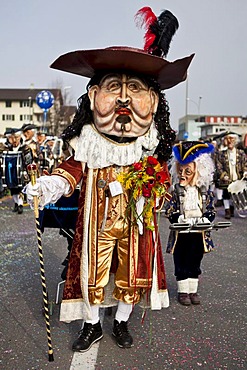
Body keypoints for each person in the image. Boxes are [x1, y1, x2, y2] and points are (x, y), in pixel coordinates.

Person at [25, 7, 194, 351]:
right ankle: (92, 325)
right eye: (113, 87)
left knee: (131, 274)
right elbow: (70, 172)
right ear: (92, 96)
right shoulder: (88, 141)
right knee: (92, 274)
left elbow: (161, 186)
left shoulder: (150, 147)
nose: (123, 98)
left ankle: (120, 321)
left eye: (135, 88)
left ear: (154, 100)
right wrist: (47, 185)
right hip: (95, 226)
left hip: (134, 225)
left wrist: (155, 192)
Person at [165, 141, 216, 305]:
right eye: (180, 170)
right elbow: (170, 210)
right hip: (181, 233)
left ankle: (193, 290)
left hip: (198, 233)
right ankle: (183, 291)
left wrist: (206, 219)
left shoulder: (204, 191)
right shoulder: (175, 191)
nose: (183, 174)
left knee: (195, 260)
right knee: (181, 261)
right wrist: (178, 219)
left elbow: (211, 210)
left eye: (188, 171)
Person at [215, 132, 247, 219]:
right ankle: (227, 210)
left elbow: (245, 164)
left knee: (235, 195)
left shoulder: (241, 153)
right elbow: (218, 166)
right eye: (228, 140)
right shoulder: (221, 154)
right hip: (226, 178)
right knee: (226, 195)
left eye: (232, 140)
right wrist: (223, 175)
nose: (230, 142)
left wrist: (245, 171)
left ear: (235, 142)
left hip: (238, 178)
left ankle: (232, 208)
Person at [2, 128, 25, 213]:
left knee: (20, 188)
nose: (14, 140)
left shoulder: (24, 148)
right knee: (12, 188)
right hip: (10, 172)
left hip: (21, 172)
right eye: (11, 138)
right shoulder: (5, 148)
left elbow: (28, 161)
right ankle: (16, 203)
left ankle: (20, 204)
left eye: (16, 138)